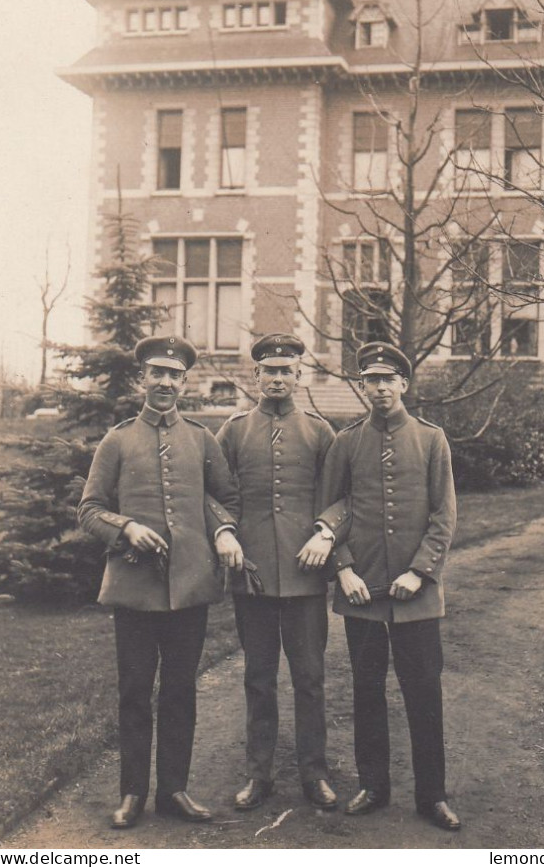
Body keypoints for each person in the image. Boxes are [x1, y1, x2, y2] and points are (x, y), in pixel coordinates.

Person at [78, 335, 244, 830]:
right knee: (133, 690)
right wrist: (125, 526)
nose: (165, 382)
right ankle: (132, 793)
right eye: (157, 373)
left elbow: (226, 500)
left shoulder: (202, 439)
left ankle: (174, 790)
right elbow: (88, 509)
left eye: (174, 375)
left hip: (190, 587)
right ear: (142, 379)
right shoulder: (118, 440)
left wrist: (224, 532)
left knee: (179, 691)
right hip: (133, 587)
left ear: (185, 382)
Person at [317, 341, 461, 831]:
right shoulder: (346, 440)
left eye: (388, 379)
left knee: (424, 692)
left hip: (416, 594)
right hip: (362, 593)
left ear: (404, 384)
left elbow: (444, 515)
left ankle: (432, 796)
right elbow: (329, 511)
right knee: (366, 690)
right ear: (362, 386)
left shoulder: (430, 438)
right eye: (370, 380)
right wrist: (344, 569)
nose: (379, 388)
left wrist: (420, 570)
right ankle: (373, 785)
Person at [216, 333, 341, 812]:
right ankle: (258, 774)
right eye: (269, 371)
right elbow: (215, 493)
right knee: (258, 677)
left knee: (309, 678)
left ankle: (315, 774)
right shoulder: (234, 430)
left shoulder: (318, 431)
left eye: (286, 371)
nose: (277, 379)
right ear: (256, 376)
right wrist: (226, 530)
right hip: (253, 577)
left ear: (298, 377)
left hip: (305, 575)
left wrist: (326, 530)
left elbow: (341, 495)